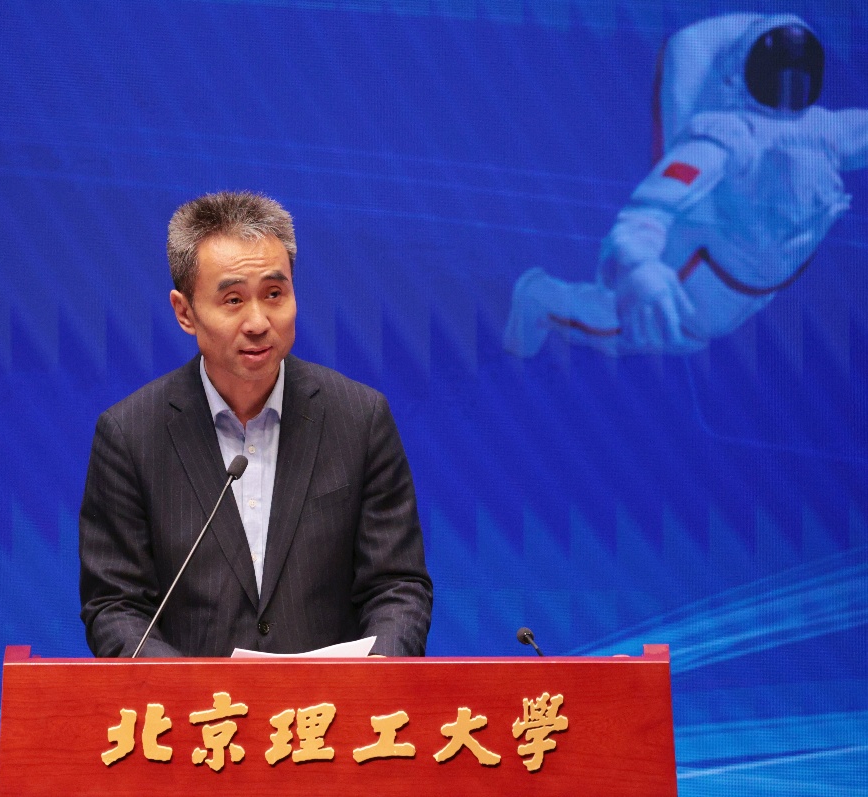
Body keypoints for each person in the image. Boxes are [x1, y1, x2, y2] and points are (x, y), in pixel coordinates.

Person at [79, 191, 432, 657]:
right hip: (197, 703)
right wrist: (188, 692)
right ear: (184, 312)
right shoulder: (130, 435)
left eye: (274, 294)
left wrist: (372, 680)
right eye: (232, 299)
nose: (258, 322)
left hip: (332, 702)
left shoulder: (359, 418)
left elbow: (397, 586)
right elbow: (115, 606)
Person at [503, 13, 868, 357]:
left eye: (799, 74)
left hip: (759, 282)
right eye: (777, 72)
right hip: (704, 281)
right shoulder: (726, 137)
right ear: (742, 73)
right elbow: (652, 206)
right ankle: (540, 297)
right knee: (634, 331)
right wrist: (639, 264)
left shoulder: (824, 130)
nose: (789, 87)